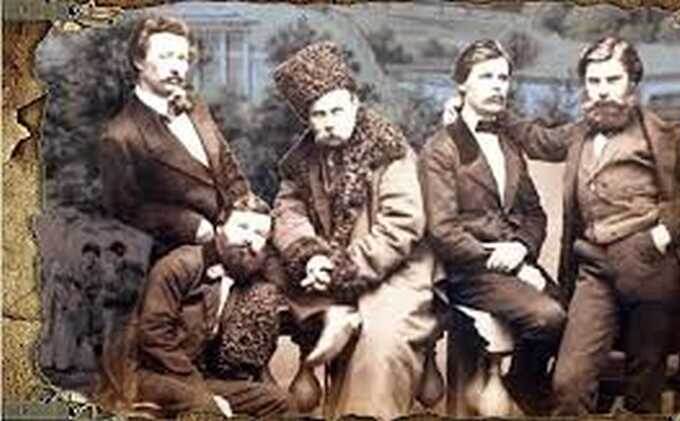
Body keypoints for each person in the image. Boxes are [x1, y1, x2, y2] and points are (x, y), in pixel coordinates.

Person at [501, 36, 680, 414]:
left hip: (651, 271)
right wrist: (495, 114)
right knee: (568, 383)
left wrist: (660, 235)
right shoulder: (580, 133)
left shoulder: (667, 135)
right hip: (595, 270)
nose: (602, 91)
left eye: (612, 80)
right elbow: (539, 140)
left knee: (642, 393)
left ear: (632, 83)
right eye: (594, 81)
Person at [271, 41, 438, 420]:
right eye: (319, 114)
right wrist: (311, 256)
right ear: (307, 119)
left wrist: (341, 268)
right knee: (276, 268)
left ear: (354, 103)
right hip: (329, 268)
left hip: (394, 270)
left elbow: (401, 225)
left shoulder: (389, 150)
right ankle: (338, 314)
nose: (329, 122)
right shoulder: (301, 162)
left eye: (337, 110)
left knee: (381, 343)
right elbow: (288, 211)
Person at [419, 39, 566, 415]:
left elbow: (534, 214)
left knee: (575, 316)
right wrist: (503, 262)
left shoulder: (509, 144)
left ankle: (522, 387)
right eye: (486, 77)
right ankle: (528, 392)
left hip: (514, 262)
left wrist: (521, 248)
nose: (498, 85)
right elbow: (443, 231)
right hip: (467, 271)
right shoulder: (442, 148)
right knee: (548, 317)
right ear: (462, 84)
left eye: (503, 78)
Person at [95, 198, 289, 419]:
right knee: (207, 408)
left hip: (194, 378)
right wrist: (201, 391)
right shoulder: (181, 265)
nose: (248, 239)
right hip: (146, 374)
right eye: (242, 227)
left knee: (280, 401)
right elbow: (152, 335)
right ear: (220, 228)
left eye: (259, 234)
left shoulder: (244, 277)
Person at [99, 15, 251, 256]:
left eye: (182, 58)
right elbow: (125, 210)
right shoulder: (120, 136)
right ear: (139, 61)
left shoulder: (196, 107)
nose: (176, 67)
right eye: (165, 56)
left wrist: (247, 210)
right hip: (179, 252)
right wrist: (189, 225)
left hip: (238, 237)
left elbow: (227, 166)